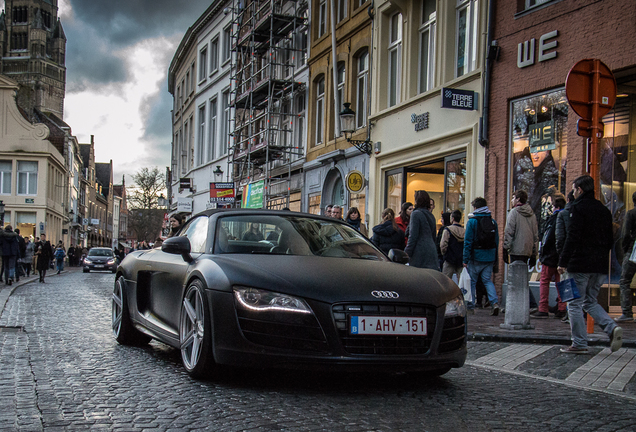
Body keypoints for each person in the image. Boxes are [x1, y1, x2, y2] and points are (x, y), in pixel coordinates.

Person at [557, 175, 623, 354]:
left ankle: (579, 343)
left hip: (579, 265)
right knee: (590, 301)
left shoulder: (576, 209)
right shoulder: (603, 210)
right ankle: (611, 328)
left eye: (573, 189)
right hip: (599, 266)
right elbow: (611, 239)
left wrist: (563, 261)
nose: (572, 192)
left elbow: (572, 237)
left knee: (574, 303)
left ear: (579, 189)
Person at [503, 190, 539, 314]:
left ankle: (521, 304)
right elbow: (535, 236)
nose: (512, 200)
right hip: (527, 250)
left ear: (518, 199)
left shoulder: (514, 213)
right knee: (523, 278)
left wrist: (505, 247)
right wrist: (534, 253)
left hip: (516, 249)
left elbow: (509, 231)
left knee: (516, 279)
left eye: (513, 198)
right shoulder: (532, 215)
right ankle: (527, 304)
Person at [463, 197, 500, 315]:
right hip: (489, 256)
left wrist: (465, 259)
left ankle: (471, 306)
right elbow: (497, 241)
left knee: (472, 281)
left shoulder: (472, 222)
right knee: (487, 281)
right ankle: (494, 303)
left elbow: (467, 242)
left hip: (476, 256)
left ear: (475, 208)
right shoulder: (492, 222)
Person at [534, 193, 567, 319]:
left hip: (550, 256)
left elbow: (547, 238)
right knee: (561, 282)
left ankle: (543, 307)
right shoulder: (567, 218)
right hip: (561, 256)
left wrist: (543, 254)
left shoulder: (553, 220)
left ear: (555, 206)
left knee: (544, 281)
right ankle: (561, 307)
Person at [404, 190, 439, 270]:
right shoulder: (431, 215)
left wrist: (406, 252)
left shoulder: (415, 214)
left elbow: (413, 236)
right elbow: (434, 237)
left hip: (419, 252)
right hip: (431, 252)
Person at [615, 191, 636, 323]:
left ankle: (627, 312)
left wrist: (624, 250)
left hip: (632, 249)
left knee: (624, 281)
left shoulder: (631, 214)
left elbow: (625, 234)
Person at [440, 209, 465, 282]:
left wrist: (444, 253)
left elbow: (443, 244)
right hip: (461, 259)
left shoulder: (447, 230)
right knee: (461, 281)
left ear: (452, 218)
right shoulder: (464, 231)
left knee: (445, 281)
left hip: (449, 258)